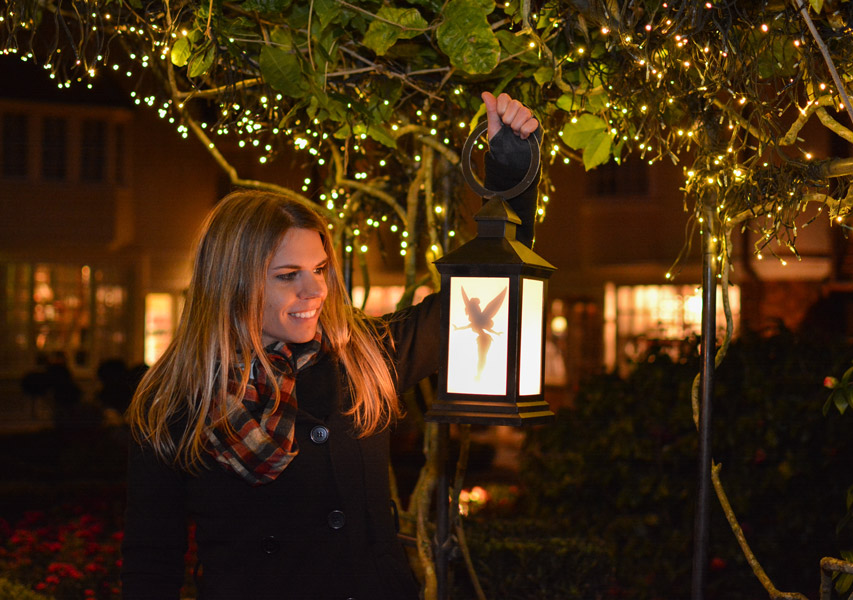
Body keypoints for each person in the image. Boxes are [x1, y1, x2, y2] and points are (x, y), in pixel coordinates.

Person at [121, 92, 541, 600]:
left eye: (320, 270)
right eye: (287, 275)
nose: (315, 291)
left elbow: (487, 296)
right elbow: (152, 566)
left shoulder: (361, 354)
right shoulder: (175, 402)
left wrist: (510, 180)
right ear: (232, 282)